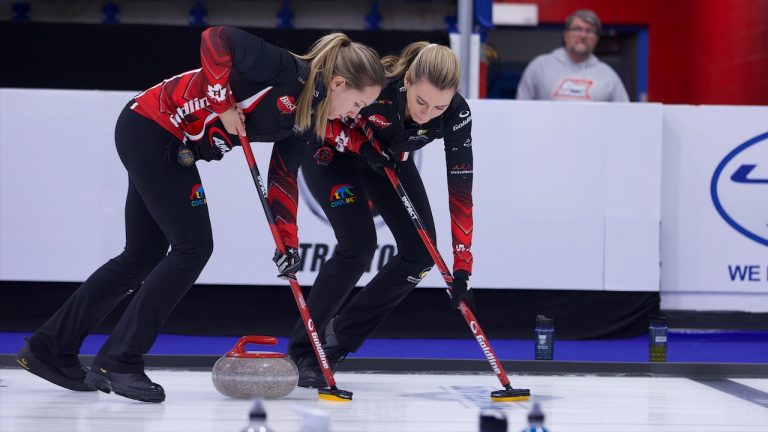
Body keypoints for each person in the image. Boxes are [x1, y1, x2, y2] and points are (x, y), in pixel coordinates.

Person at [16, 26, 384, 403]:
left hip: (164, 140)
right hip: (152, 126)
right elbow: (216, 38)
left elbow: (283, 178)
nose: (354, 115)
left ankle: (50, 348)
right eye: (357, 105)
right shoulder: (283, 69)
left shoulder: (307, 120)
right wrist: (222, 104)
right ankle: (120, 360)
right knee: (193, 247)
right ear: (338, 84)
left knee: (141, 256)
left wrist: (287, 242)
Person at [288, 42, 474, 387]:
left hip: (388, 157)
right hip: (334, 152)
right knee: (358, 247)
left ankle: (336, 341)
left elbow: (461, 193)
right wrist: (358, 146)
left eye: (439, 106)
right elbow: (318, 118)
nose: (427, 114)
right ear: (407, 81)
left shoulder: (457, 114)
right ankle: (302, 352)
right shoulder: (380, 87)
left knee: (420, 255)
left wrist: (462, 267)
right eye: (421, 102)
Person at [516, 9, 629, 102]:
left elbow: (625, 116)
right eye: (577, 29)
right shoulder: (539, 67)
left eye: (589, 31)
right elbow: (520, 109)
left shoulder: (608, 76)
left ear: (596, 39)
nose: (583, 35)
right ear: (565, 35)